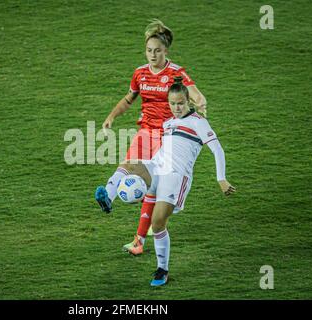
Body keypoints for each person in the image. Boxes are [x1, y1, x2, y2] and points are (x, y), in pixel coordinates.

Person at [95, 77, 236, 286]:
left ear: (188, 101)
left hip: (176, 177)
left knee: (158, 223)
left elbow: (217, 149)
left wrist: (221, 179)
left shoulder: (199, 122)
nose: (176, 107)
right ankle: (108, 197)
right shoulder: (168, 122)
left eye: (180, 103)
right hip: (156, 166)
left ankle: (162, 269)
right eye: (172, 103)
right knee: (129, 164)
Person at [97, 19, 207, 255]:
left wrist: (200, 102)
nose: (152, 55)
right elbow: (129, 99)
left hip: (168, 135)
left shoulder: (176, 73)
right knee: (126, 166)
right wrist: (111, 117)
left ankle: (139, 240)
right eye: (149, 50)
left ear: (165, 51)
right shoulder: (140, 74)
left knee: (151, 188)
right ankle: (107, 196)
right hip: (146, 131)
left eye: (157, 50)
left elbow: (195, 94)